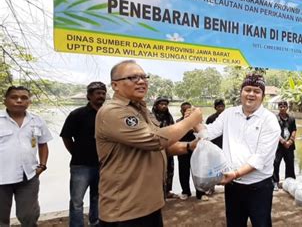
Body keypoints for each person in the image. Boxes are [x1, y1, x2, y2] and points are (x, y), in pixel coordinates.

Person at [95, 60, 203, 227]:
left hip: (150, 205)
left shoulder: (141, 110)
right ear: (115, 85)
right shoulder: (113, 112)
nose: (141, 81)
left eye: (144, 77)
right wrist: (190, 121)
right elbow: (155, 140)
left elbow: (161, 147)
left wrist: (188, 146)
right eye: (132, 77)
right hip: (125, 210)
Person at [196, 74, 281, 227]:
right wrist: (193, 121)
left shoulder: (269, 120)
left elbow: (261, 158)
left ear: (262, 96)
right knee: (234, 223)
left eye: (256, 91)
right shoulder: (229, 113)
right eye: (247, 89)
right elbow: (208, 133)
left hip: (259, 186)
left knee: (261, 223)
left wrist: (235, 173)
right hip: (233, 186)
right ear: (241, 92)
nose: (251, 94)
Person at [0, 86, 53, 226]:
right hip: (1, 178)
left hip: (28, 176)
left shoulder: (37, 120)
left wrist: (42, 166)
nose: (19, 100)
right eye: (14, 97)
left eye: (24, 98)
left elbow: (43, 144)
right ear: (5, 100)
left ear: (29, 102)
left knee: (29, 216)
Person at [60, 82, 107, 227]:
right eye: (97, 93)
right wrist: (76, 153)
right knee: (76, 201)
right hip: (80, 166)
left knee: (97, 197)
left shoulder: (107, 114)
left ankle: (95, 222)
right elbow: (66, 136)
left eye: (103, 93)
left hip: (102, 164)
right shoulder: (77, 114)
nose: (101, 96)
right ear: (89, 96)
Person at [176, 102, 207, 201]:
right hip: (183, 150)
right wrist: (185, 123)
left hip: (196, 150)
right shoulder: (178, 122)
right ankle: (185, 192)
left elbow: (203, 134)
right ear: (181, 111)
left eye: (189, 109)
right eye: (184, 110)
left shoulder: (197, 122)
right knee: (183, 172)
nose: (187, 111)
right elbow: (176, 136)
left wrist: (194, 124)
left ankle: (200, 193)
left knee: (198, 172)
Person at [151, 96, 178, 199]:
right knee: (156, 171)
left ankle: (167, 191)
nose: (164, 106)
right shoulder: (151, 117)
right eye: (161, 104)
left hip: (168, 148)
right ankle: (156, 193)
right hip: (155, 149)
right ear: (156, 105)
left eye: (165, 104)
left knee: (169, 169)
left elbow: (174, 129)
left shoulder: (169, 116)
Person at [272, 100, 297, 190]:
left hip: (289, 146)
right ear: (278, 108)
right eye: (280, 107)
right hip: (278, 146)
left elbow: (294, 130)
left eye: (284, 107)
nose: (282, 108)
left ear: (287, 107)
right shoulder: (274, 118)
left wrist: (291, 140)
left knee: (290, 163)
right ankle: (275, 182)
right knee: (275, 163)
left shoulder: (292, 118)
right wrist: (283, 141)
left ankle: (289, 182)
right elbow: (273, 132)